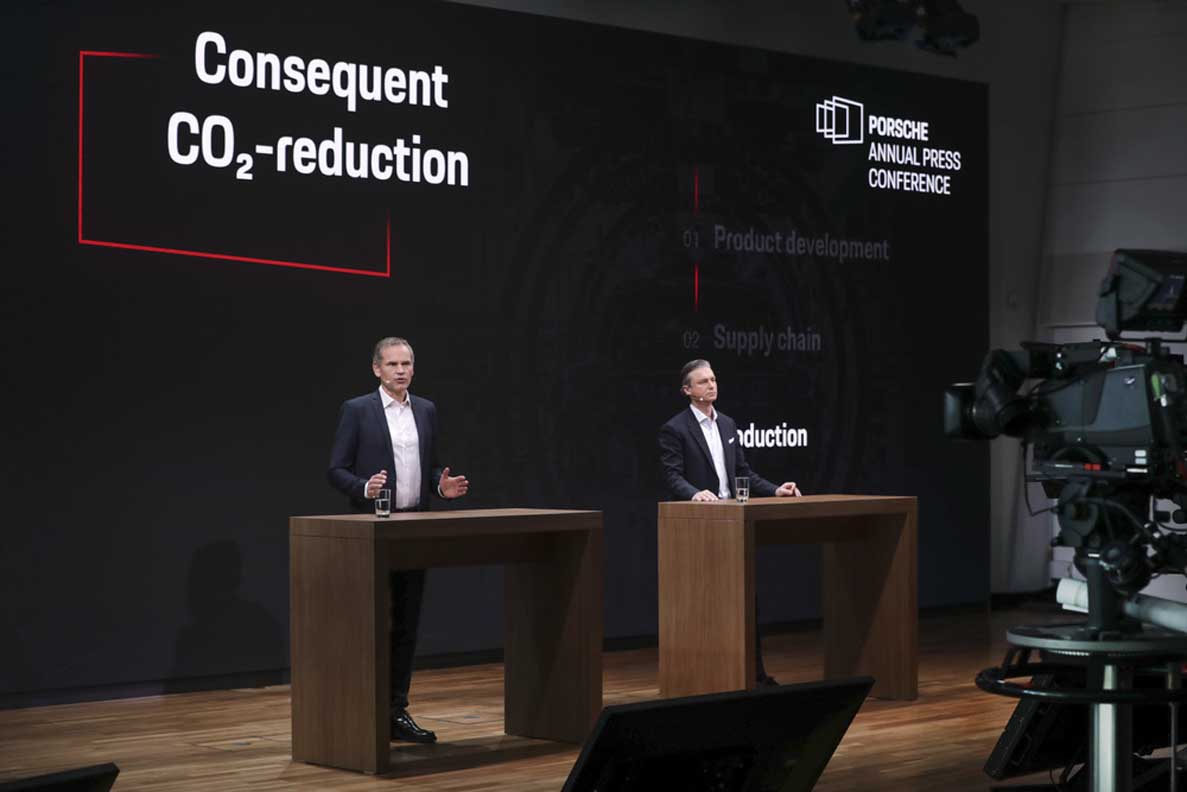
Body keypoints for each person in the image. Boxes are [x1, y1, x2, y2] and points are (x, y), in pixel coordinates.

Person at [328, 336, 469, 743]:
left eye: (406, 364)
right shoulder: (357, 410)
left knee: (406, 623)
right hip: (372, 528)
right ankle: (359, 711)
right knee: (370, 621)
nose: (401, 370)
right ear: (377, 369)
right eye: (392, 364)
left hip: (413, 527)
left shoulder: (426, 409)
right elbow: (336, 469)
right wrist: (363, 488)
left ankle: (394, 711)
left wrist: (441, 487)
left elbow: (432, 467)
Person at [657, 358, 802, 686]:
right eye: (703, 381)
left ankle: (754, 677)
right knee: (706, 604)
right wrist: (696, 494)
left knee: (745, 600)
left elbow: (743, 473)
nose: (712, 385)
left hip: (734, 523)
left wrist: (775, 490)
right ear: (687, 390)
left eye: (713, 379)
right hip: (701, 526)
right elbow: (672, 476)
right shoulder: (674, 429)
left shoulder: (728, 424)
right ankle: (706, 677)